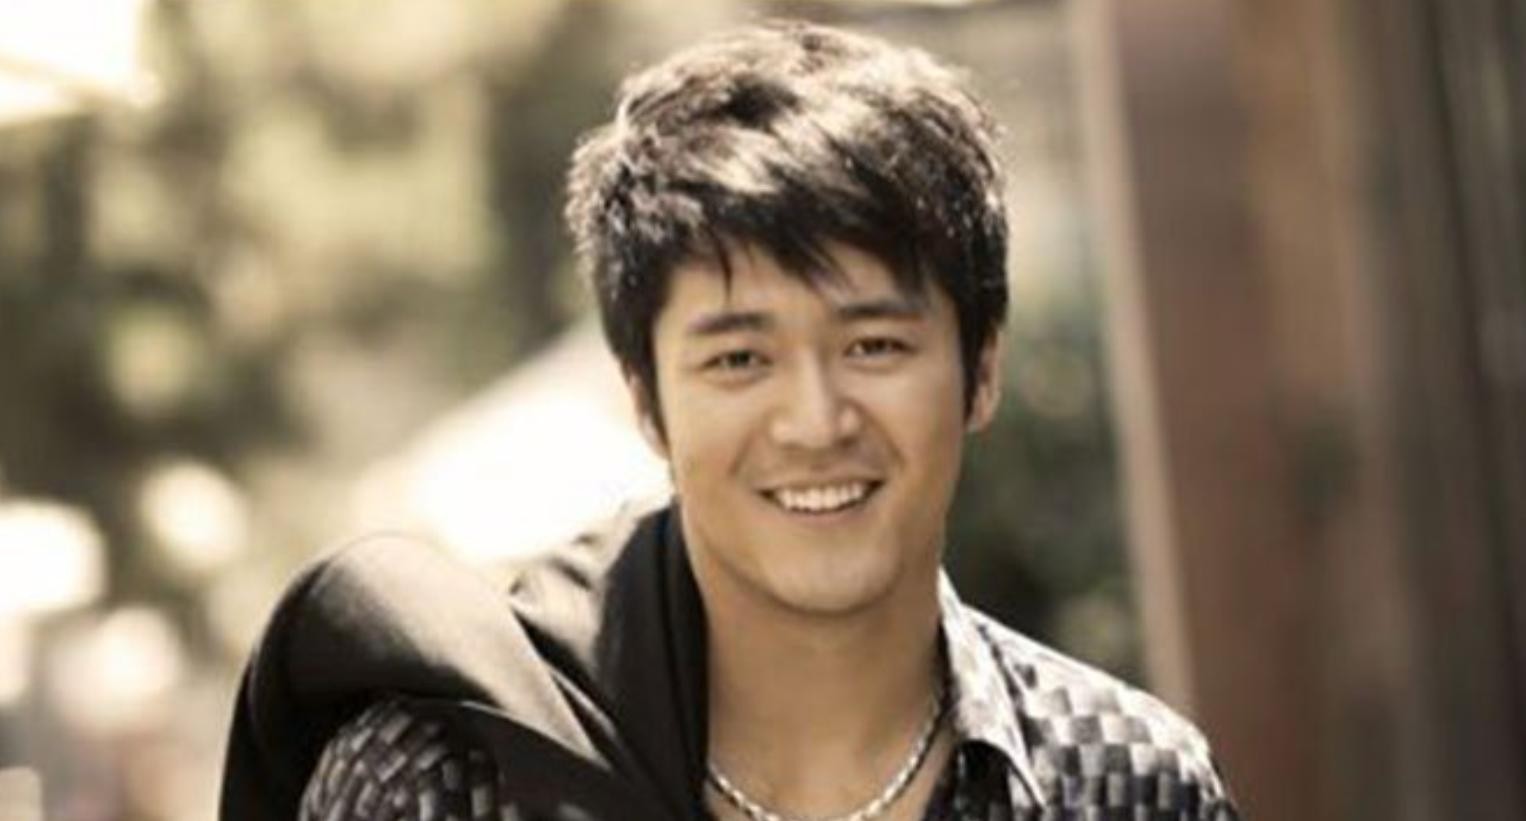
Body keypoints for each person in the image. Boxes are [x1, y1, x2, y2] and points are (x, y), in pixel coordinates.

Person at [220, 20, 1239, 821]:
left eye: (874, 345)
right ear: (645, 399)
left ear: (981, 369)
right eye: (738, 358)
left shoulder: (1124, 781)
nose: (815, 420)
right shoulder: (444, 781)